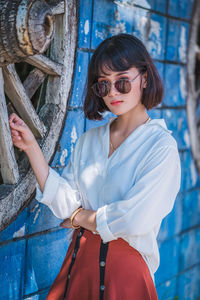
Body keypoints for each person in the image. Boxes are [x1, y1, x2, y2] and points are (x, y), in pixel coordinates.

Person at [9, 33, 181, 300]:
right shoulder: (89, 142)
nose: (112, 92)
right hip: (78, 267)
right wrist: (31, 148)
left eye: (122, 82)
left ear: (144, 78)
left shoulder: (161, 147)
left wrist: (79, 218)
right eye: (103, 85)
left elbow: (133, 219)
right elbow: (65, 201)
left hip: (126, 279)